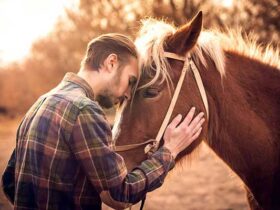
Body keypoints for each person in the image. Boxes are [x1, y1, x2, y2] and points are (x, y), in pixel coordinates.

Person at [2, 33, 205, 210]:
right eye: (131, 81)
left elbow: (10, 182)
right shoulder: (85, 110)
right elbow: (122, 194)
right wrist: (169, 150)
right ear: (111, 63)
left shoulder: (41, 103)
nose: (128, 94)